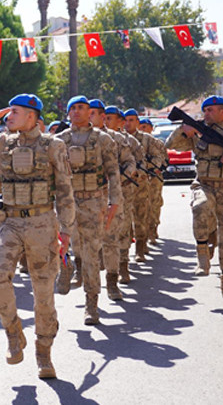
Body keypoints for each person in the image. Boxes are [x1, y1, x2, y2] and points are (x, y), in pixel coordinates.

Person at [0, 94, 75, 379]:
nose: (8, 116)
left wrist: (67, 229)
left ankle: (43, 352)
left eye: (15, 112)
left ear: (32, 116)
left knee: (44, 295)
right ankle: (13, 333)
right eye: (7, 112)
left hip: (43, 224)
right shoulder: (1, 143)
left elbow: (65, 190)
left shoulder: (53, 145)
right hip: (9, 223)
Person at [166, 95, 223, 301]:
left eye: (211, 110)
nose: (206, 114)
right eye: (205, 110)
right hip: (204, 184)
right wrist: (183, 130)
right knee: (200, 206)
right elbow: (170, 145)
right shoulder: (198, 133)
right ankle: (202, 252)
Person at [55, 96, 122, 325]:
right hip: (67, 202)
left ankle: (91, 303)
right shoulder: (58, 140)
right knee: (67, 246)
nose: (76, 111)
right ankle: (67, 267)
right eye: (72, 108)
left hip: (94, 202)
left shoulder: (102, 139)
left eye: (81, 108)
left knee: (92, 252)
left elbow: (113, 172)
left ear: (89, 112)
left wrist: (115, 201)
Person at [89, 99, 137, 300]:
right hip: (86, 198)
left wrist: (117, 178)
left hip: (112, 196)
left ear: (102, 117)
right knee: (88, 244)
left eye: (94, 113)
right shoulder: (75, 138)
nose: (89, 117)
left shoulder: (116, 139)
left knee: (112, 239)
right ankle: (90, 294)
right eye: (87, 112)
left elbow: (130, 163)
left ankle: (112, 280)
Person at [104, 106, 142, 284]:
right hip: (99, 191)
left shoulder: (128, 141)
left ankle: (123, 264)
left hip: (123, 189)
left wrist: (122, 177)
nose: (106, 121)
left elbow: (137, 162)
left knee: (123, 227)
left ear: (120, 121)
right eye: (105, 117)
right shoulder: (95, 138)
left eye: (110, 118)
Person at [123, 108, 165, 262]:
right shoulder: (119, 138)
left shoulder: (147, 139)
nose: (128, 123)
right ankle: (124, 254)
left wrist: (145, 168)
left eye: (131, 120)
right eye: (125, 120)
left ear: (137, 122)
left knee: (141, 216)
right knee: (124, 220)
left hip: (141, 184)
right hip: (123, 185)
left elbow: (157, 158)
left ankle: (140, 247)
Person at [139, 117, 166, 245]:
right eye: (141, 126)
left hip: (155, 178)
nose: (142, 129)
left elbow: (165, 160)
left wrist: (157, 168)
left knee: (155, 204)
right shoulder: (135, 142)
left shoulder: (157, 143)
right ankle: (142, 234)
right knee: (141, 206)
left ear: (151, 128)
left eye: (145, 126)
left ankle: (153, 228)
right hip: (141, 178)